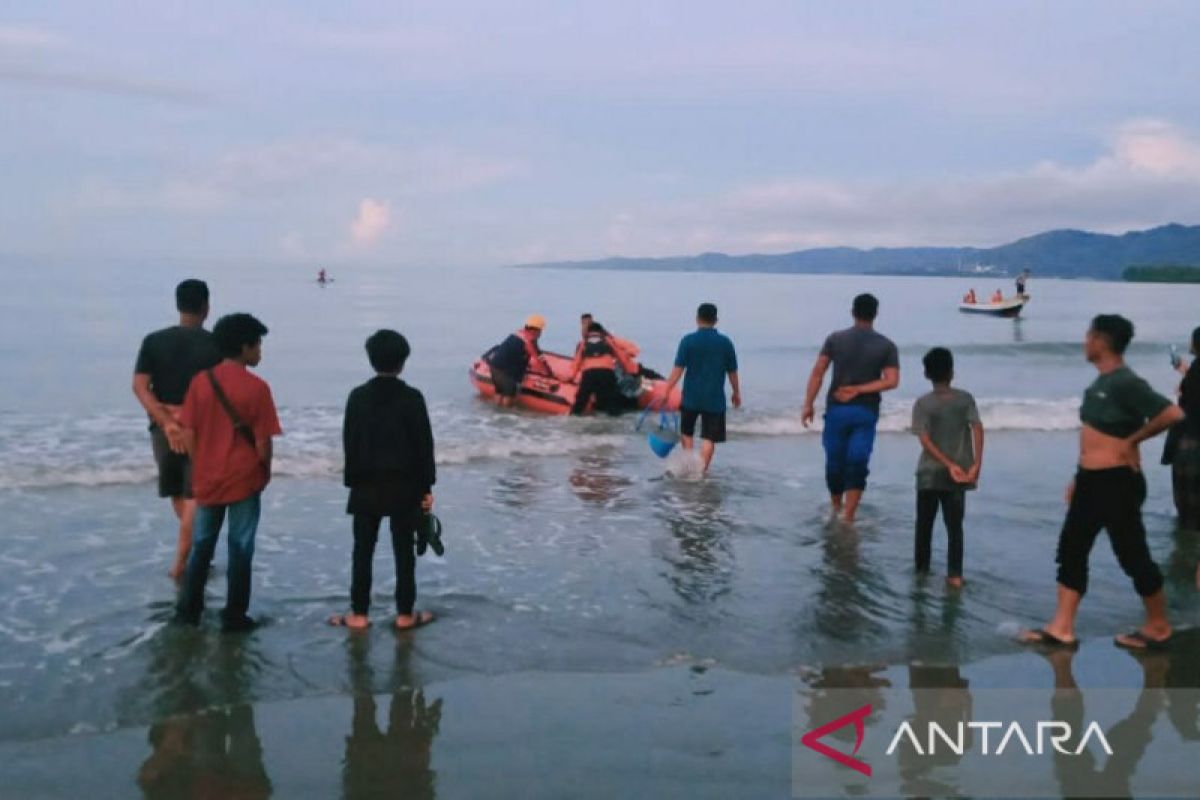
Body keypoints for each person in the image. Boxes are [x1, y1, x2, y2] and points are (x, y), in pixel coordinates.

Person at [1020, 315, 1183, 651]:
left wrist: (1133, 440)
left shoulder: (1125, 381)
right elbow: (1091, 439)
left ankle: (1158, 625)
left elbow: (1171, 414)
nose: (1084, 342)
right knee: (1071, 549)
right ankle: (1062, 628)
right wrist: (1078, 478)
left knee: (1131, 554)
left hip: (1117, 481)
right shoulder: (1099, 384)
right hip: (1090, 481)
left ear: (1099, 340)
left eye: (1087, 335)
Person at [174, 313, 282, 631]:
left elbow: (189, 434)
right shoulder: (257, 388)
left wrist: (202, 462)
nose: (260, 351)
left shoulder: (200, 382)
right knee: (241, 547)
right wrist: (265, 470)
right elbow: (263, 442)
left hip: (208, 477)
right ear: (245, 347)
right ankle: (234, 615)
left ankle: (189, 612)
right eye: (258, 344)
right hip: (244, 477)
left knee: (202, 545)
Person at [330, 329, 437, 631]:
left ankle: (359, 615)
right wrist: (427, 487)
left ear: (370, 359)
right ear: (403, 362)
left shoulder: (357, 397)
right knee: (405, 552)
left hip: (366, 486)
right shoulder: (413, 398)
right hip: (406, 487)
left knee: (362, 551)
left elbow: (350, 442)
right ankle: (405, 615)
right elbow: (424, 446)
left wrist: (351, 483)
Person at [133, 279, 222, 579]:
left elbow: (140, 387)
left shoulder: (153, 340)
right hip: (202, 429)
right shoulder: (216, 345)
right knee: (195, 494)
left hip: (162, 429)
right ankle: (182, 566)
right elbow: (220, 392)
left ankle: (194, 556)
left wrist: (167, 421)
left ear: (178, 305)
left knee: (178, 493)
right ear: (206, 307)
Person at [803, 293, 900, 524]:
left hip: (837, 410)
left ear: (852, 312)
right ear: (876, 314)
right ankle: (848, 516)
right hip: (865, 412)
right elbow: (891, 381)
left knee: (835, 462)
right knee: (858, 460)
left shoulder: (835, 339)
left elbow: (818, 371)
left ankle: (838, 509)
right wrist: (862, 390)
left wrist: (808, 403)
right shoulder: (886, 345)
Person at [911, 347, 984, 588]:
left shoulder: (923, 404)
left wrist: (946, 463)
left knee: (924, 527)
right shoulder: (965, 399)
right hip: (959, 476)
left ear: (926, 374)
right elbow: (977, 428)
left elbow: (924, 439)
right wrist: (975, 464)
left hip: (929, 475)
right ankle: (955, 576)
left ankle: (921, 574)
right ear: (952, 372)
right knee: (955, 528)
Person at [661, 303, 741, 473]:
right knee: (709, 439)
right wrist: (736, 392)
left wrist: (667, 390)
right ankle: (700, 471)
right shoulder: (725, 343)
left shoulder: (688, 341)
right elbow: (732, 372)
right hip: (715, 400)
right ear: (716, 320)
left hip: (691, 397)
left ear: (697, 319)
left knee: (687, 433)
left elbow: (678, 370)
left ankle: (689, 467)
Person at [1167, 327, 1200, 531]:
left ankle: (1187, 547)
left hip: (1190, 440)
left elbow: (1188, 400)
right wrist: (1185, 372)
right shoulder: (1196, 369)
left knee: (1188, 500)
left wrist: (1182, 387)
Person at [484, 315, 554, 408]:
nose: (541, 333)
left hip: (494, 367)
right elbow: (537, 360)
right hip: (505, 372)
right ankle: (504, 416)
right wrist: (548, 374)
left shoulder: (518, 333)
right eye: (540, 330)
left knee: (499, 391)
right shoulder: (528, 342)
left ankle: (496, 413)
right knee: (509, 393)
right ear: (535, 330)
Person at [569, 321, 638, 415]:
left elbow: (576, 363)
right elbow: (620, 356)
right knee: (613, 402)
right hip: (606, 373)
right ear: (601, 332)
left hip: (589, 374)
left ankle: (574, 417)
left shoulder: (583, 343)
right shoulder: (607, 341)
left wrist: (571, 378)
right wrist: (630, 370)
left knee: (580, 402)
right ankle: (615, 417)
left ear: (589, 332)